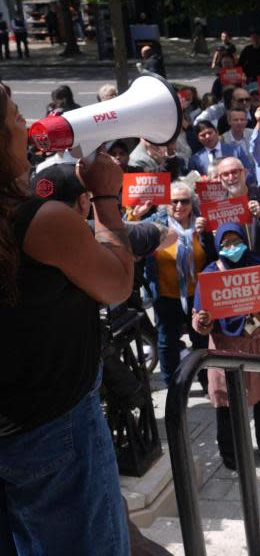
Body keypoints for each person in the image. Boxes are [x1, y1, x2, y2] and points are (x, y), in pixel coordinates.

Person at [0, 83, 134, 554]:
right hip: (54, 430)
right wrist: (104, 198)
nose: (25, 125)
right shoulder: (41, 223)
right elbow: (117, 285)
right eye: (15, 117)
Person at [192, 223, 260, 470]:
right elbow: (199, 318)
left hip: (259, 345)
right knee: (227, 408)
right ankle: (231, 455)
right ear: (218, 246)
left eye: (237, 241)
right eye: (226, 244)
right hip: (226, 349)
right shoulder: (211, 275)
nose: (232, 247)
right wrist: (202, 322)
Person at [145, 182, 210, 383]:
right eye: (174, 201)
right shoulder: (156, 224)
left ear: (192, 203)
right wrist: (134, 215)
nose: (179, 206)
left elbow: (214, 256)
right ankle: (172, 384)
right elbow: (125, 231)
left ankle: (207, 381)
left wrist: (206, 233)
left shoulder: (202, 223)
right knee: (167, 343)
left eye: (184, 201)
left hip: (197, 296)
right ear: (166, 204)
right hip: (166, 295)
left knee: (201, 339)